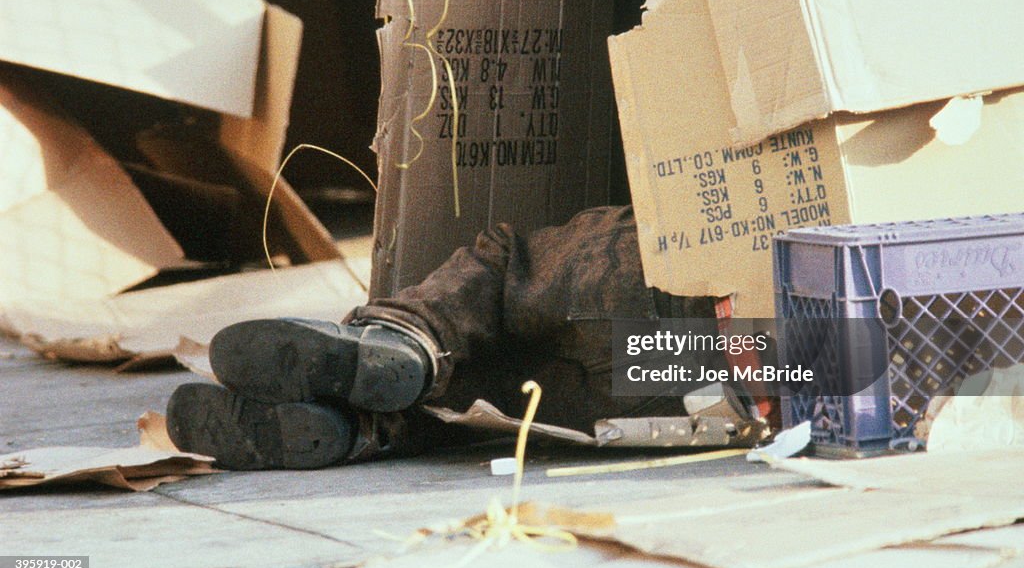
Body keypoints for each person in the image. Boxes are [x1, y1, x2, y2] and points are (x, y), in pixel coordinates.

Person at [166, 205, 725, 470]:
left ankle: (408, 339)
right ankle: (366, 427)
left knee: (504, 273)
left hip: (674, 277)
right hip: (735, 368)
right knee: (501, 410)